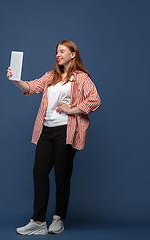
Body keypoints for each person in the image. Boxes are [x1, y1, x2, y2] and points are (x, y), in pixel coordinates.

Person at [6, 40, 101, 235]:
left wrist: (72, 109)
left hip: (66, 130)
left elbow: (94, 99)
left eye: (62, 51)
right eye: (57, 52)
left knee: (62, 176)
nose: (58, 54)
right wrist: (15, 79)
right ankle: (39, 221)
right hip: (46, 130)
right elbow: (30, 87)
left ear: (73, 54)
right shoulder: (51, 76)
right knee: (39, 173)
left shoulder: (80, 78)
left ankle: (58, 218)